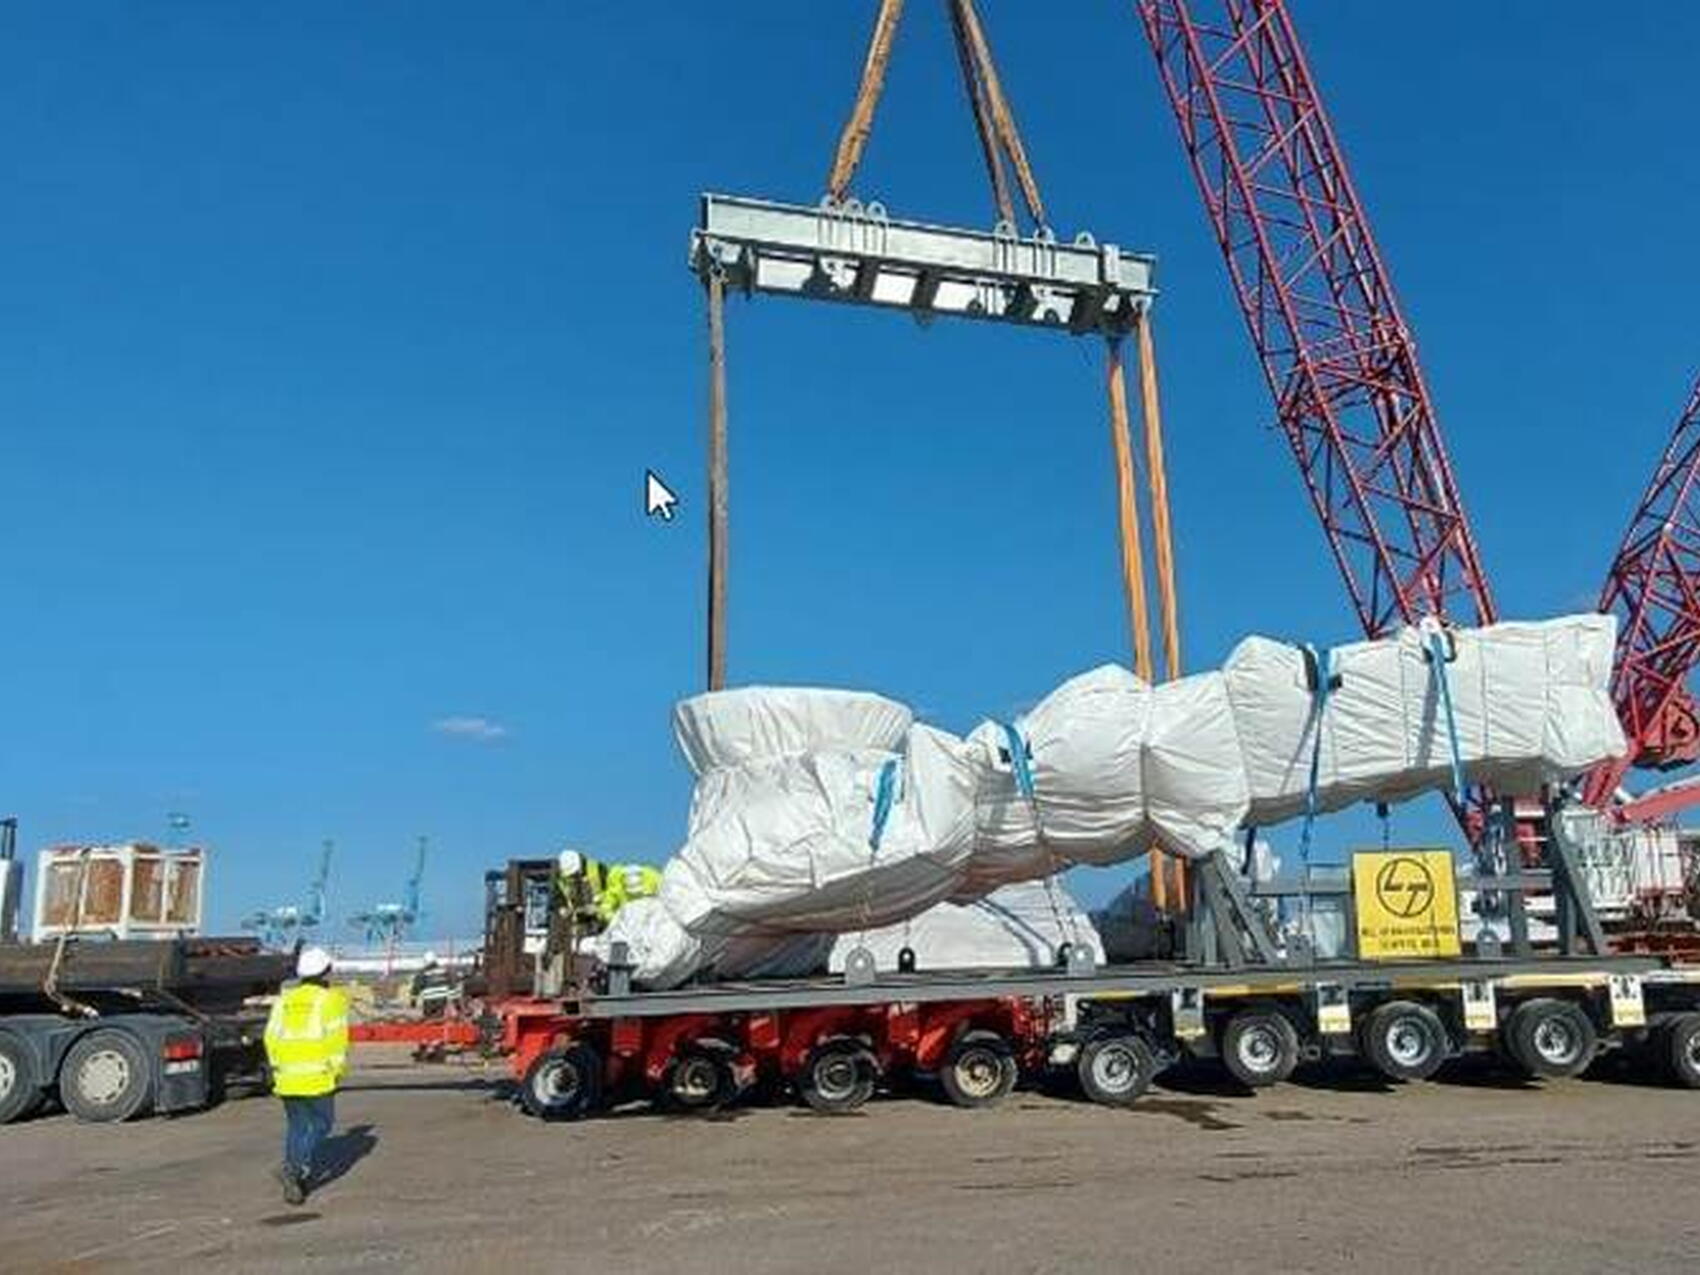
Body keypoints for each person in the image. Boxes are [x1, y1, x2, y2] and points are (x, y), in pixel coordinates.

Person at [263, 945, 350, 1205]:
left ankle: (295, 1177)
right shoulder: (331, 1000)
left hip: (287, 1076)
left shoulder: (285, 1000)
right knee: (322, 1124)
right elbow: (337, 1040)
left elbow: (270, 1037)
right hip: (318, 1076)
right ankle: (293, 1168)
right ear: (326, 971)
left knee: (297, 1127)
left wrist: (277, 1066)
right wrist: (337, 1072)